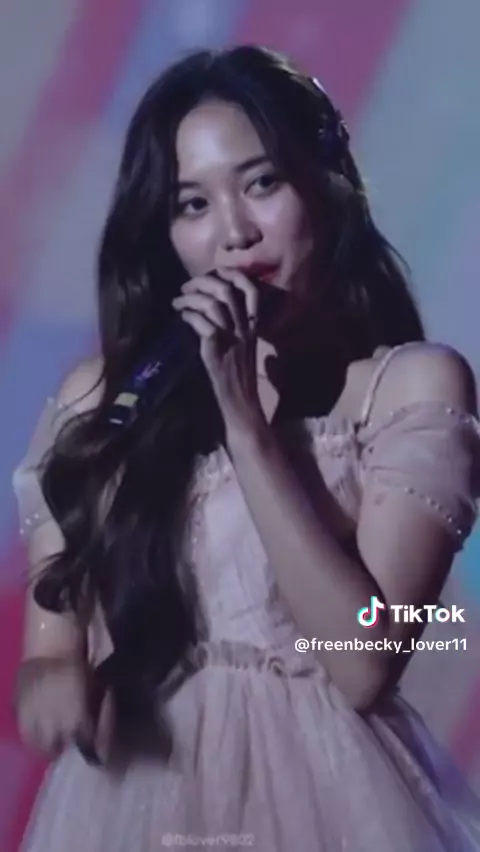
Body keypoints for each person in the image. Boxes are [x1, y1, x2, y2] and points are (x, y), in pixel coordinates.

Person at [12, 45, 480, 851]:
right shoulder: (105, 399)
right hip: (133, 807)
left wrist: (245, 423)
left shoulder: (408, 389)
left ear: (326, 186)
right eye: (193, 204)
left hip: (328, 805)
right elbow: (52, 639)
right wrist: (52, 678)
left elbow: (365, 656)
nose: (234, 232)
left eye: (262, 183)